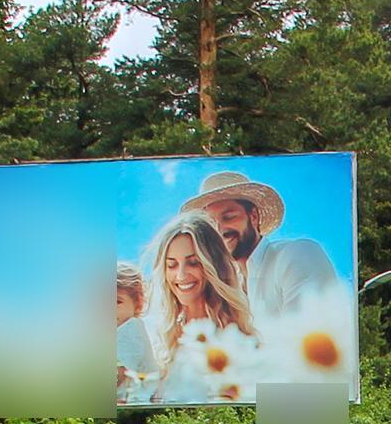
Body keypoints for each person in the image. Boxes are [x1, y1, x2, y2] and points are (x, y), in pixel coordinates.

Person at [181, 169, 337, 326]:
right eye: (211, 224)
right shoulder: (227, 288)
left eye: (229, 217)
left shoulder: (297, 255)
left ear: (254, 217)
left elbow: (305, 338)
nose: (220, 230)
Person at [140, 215, 259, 405]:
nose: (180, 275)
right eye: (171, 265)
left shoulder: (243, 342)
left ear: (215, 267)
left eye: (193, 262)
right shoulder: (158, 340)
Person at [113, 261, 154, 406]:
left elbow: (118, 375)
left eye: (117, 302)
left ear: (138, 303)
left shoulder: (131, 329)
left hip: (135, 404)